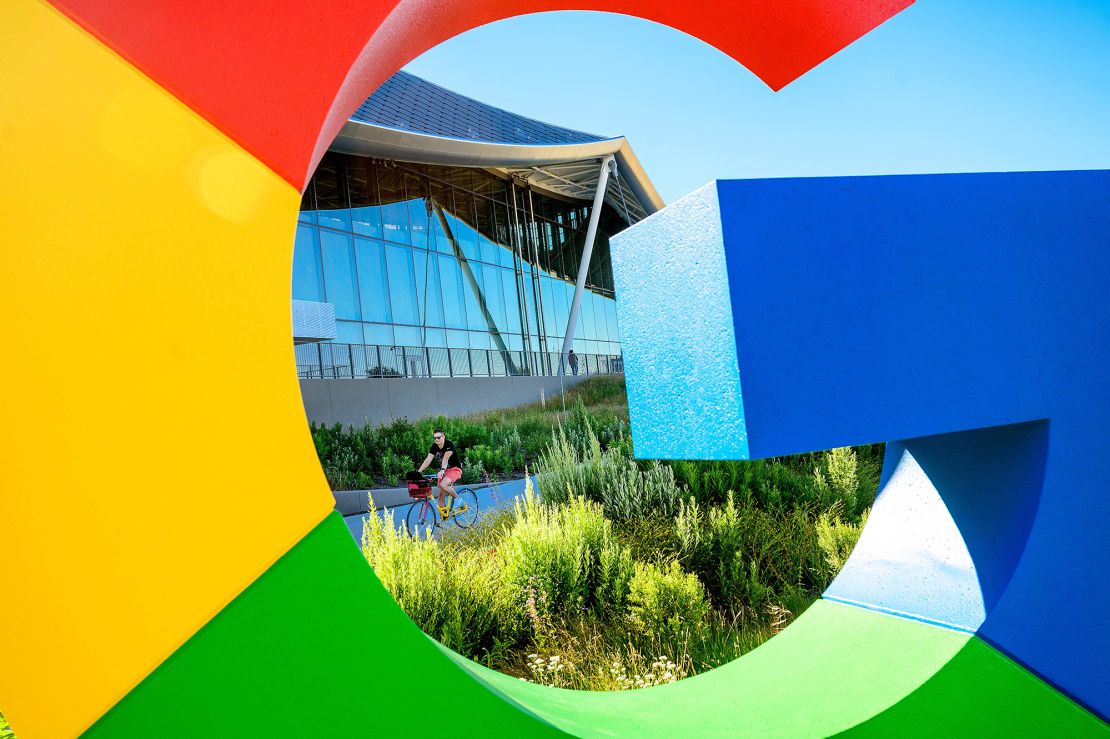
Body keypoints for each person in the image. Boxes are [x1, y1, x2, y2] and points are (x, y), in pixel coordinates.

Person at [417, 429, 465, 520]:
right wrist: (419, 471)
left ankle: (458, 499)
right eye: (434, 438)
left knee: (443, 484)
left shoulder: (449, 444)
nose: (436, 439)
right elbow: (428, 460)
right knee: (440, 496)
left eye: (438, 437)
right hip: (444, 471)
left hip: (455, 469)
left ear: (443, 437)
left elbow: (445, 459)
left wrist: (442, 469)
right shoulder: (434, 447)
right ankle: (444, 518)